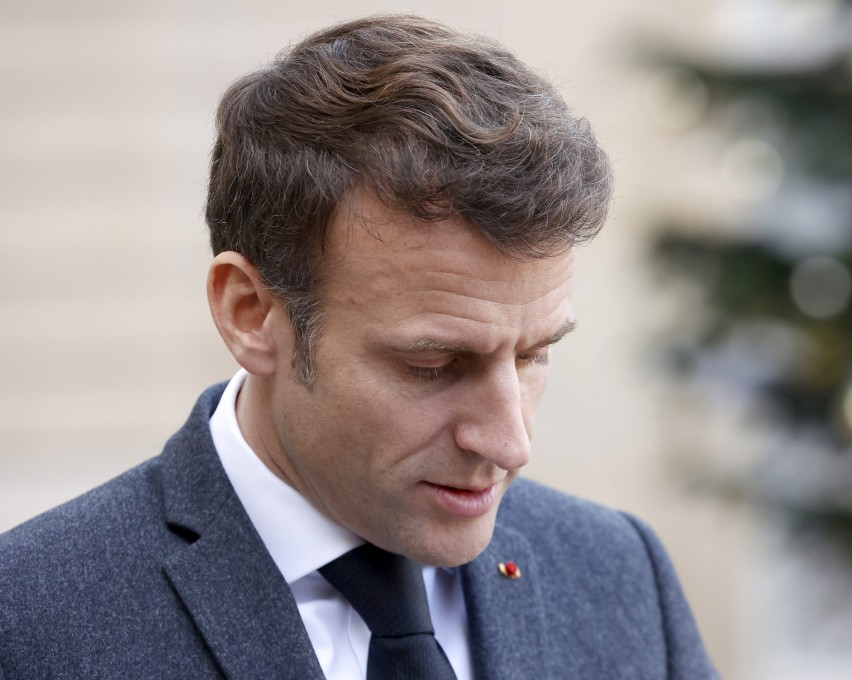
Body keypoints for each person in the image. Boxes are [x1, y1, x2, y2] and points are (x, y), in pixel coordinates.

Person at [0, 14, 719, 680]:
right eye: (432, 365)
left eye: (532, 356)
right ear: (250, 313)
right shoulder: (28, 623)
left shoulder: (619, 574)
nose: (509, 441)